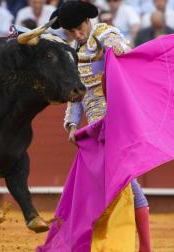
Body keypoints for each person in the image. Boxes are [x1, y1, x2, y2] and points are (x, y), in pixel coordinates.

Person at [50, 1, 152, 251]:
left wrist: (106, 53)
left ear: (87, 21)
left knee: (120, 182)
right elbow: (78, 95)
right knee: (119, 183)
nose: (76, 34)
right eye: (71, 32)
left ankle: (143, 247)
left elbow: (125, 53)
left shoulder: (104, 33)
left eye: (78, 28)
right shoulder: (75, 51)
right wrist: (73, 124)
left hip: (117, 123)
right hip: (97, 129)